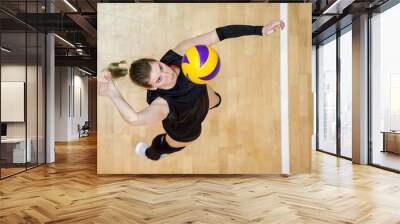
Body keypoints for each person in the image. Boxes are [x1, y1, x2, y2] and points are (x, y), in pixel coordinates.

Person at [98, 20, 285, 161]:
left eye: (161, 66)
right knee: (165, 146)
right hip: (185, 126)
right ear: (153, 87)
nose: (168, 73)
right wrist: (114, 94)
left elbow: (219, 34)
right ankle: (150, 153)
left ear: (158, 60)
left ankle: (211, 102)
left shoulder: (179, 53)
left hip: (203, 98)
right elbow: (134, 119)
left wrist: (260, 30)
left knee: (217, 100)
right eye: (160, 78)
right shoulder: (162, 103)